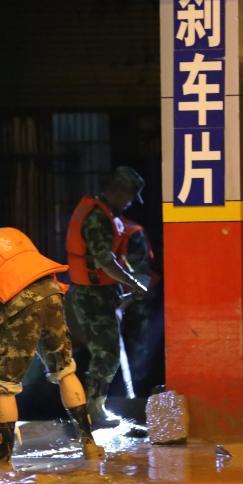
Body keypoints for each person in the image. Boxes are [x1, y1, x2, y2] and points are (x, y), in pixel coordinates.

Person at [0, 210, 104, 470]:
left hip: (18, 304)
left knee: (4, 386)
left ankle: (2, 463)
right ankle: (90, 446)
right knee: (64, 370)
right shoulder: (10, 233)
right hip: (52, 294)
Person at [65, 166, 149, 429]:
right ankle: (93, 410)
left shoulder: (103, 213)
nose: (131, 203)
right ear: (119, 191)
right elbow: (105, 261)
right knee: (107, 355)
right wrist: (134, 283)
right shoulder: (98, 218)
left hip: (97, 293)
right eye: (130, 196)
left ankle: (92, 407)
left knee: (103, 354)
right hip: (93, 297)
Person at [118, 217, 162, 398]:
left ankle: (141, 398)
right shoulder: (117, 227)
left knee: (141, 350)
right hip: (123, 297)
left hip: (141, 297)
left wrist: (125, 302)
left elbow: (141, 275)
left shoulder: (132, 232)